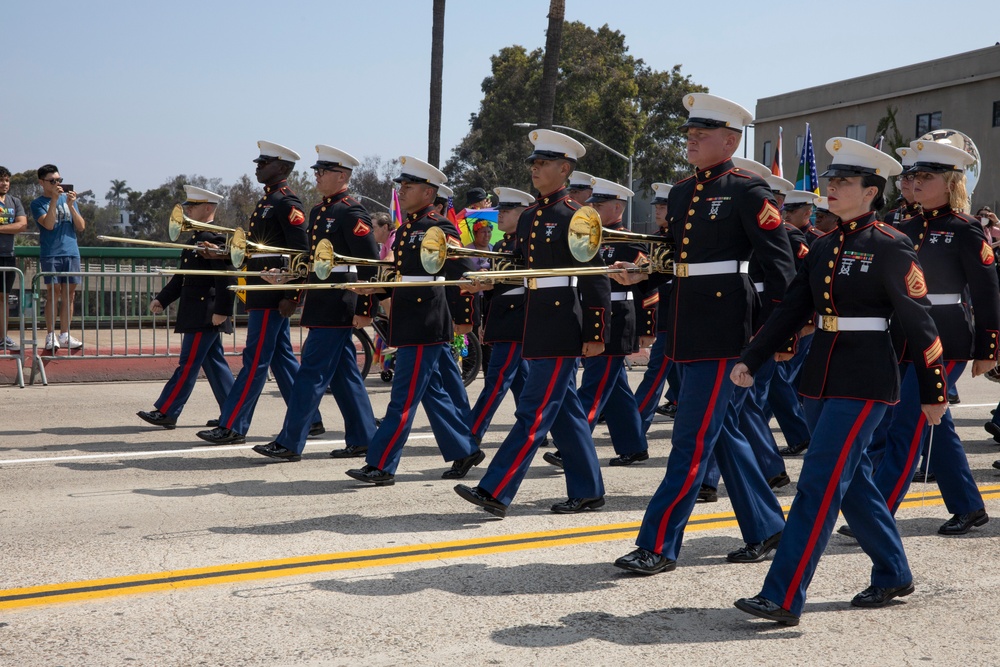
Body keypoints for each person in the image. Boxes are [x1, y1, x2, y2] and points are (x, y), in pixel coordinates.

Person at [731, 137, 947, 626]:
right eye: (831, 180)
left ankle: (783, 595)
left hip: (866, 378)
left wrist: (934, 390)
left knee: (818, 483)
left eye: (844, 182)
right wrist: (753, 356)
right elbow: (792, 309)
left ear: (872, 191)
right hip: (820, 375)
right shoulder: (824, 245)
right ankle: (893, 571)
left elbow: (920, 321)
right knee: (853, 486)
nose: (832, 188)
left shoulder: (891, 246)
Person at [611, 93, 792, 575]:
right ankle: (768, 525)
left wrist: (775, 338)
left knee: (690, 440)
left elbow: (781, 271)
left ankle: (658, 544)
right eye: (689, 132)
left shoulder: (749, 192)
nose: (690, 138)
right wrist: (638, 275)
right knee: (722, 433)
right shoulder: (684, 190)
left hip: (724, 331)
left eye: (703, 132)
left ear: (731, 140)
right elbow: (672, 259)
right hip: (689, 327)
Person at [454, 129, 611, 518]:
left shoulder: (577, 217)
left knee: (533, 411)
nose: (535, 169)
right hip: (536, 319)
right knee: (567, 413)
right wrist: (490, 281)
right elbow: (522, 268)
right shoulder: (529, 218)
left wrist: (595, 333)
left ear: (565, 169)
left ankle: (496, 489)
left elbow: (595, 277)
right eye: (534, 163)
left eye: (543, 163)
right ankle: (588, 489)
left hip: (561, 322)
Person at [863, 138, 998, 535]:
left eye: (926, 176)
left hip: (948, 339)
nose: (916, 183)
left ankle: (878, 511)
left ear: (952, 182)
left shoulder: (967, 230)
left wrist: (989, 349)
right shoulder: (901, 228)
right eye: (913, 176)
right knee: (932, 421)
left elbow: (988, 293)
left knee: (906, 422)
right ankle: (969, 506)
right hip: (903, 336)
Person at [344, 155, 484, 485]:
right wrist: (376, 287)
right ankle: (464, 449)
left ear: (427, 192)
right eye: (402, 186)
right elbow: (402, 275)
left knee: (403, 400)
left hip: (424, 322)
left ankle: (381, 464)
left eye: (409, 187)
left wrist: (469, 312)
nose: (402, 191)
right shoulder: (406, 229)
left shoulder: (439, 227)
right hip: (411, 320)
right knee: (434, 393)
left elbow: (462, 272)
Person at [253, 145, 380, 462]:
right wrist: (289, 284)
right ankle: (365, 438)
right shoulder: (319, 211)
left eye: (322, 171)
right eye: (317, 171)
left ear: (342, 175)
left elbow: (368, 264)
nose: (317, 176)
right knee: (344, 374)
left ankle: (289, 442)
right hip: (322, 297)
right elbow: (307, 260)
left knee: (310, 373)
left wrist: (365, 309)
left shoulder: (352, 211)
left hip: (339, 298)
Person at [197, 141, 321, 445]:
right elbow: (257, 252)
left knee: (255, 360)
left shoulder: (286, 203)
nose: (257, 166)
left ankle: (232, 425)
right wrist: (223, 255)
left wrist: (292, 296)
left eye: (264, 163)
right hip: (262, 291)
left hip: (271, 294)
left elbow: (301, 253)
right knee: (279, 357)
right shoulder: (268, 201)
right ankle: (310, 419)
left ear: (282, 168)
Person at [137, 186, 235, 429]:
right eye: (188, 205)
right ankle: (233, 413)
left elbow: (226, 277)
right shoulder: (195, 240)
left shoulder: (216, 239)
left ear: (209, 208)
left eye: (193, 206)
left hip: (206, 313)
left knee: (189, 363)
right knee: (215, 365)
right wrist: (163, 298)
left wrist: (222, 311)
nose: (188, 209)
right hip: (197, 312)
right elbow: (182, 278)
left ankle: (168, 410)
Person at [575, 177, 649, 466]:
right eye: (592, 203)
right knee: (615, 388)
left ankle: (573, 441)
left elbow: (647, 283)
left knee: (593, 384)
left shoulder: (629, 240)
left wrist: (648, 328)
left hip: (618, 317)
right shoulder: (592, 238)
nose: (592, 209)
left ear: (617, 207)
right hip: (596, 314)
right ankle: (633, 445)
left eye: (599, 205)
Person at [468, 187, 534, 444]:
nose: (500, 216)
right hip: (503, 317)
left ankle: (471, 435)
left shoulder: (528, 243)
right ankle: (537, 429)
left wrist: (488, 281)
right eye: (500, 211)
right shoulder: (501, 243)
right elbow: (498, 289)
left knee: (496, 381)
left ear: (522, 214)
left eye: (506, 211)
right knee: (521, 380)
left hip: (518, 318)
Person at [31, 164, 85, 351]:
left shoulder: (68, 200)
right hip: (51, 252)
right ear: (42, 182)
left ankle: (65, 334)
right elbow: (49, 225)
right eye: (52, 181)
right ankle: (50, 334)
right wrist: (54, 200)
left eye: (59, 180)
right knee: (53, 293)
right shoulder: (37, 203)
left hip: (71, 251)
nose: (57, 184)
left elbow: (81, 226)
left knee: (69, 295)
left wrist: (71, 206)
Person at [0, 166, 27, 352]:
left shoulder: (14, 201)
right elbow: (14, 225)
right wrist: (10, 226)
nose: (4, 183)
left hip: (7, 256)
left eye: (7, 180)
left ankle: (3, 337)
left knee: (4, 298)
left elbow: (21, 224)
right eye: (1, 180)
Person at [883, 146, 921, 227]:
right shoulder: (891, 217)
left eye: (910, 177)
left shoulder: (928, 216)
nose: (904, 181)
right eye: (902, 177)